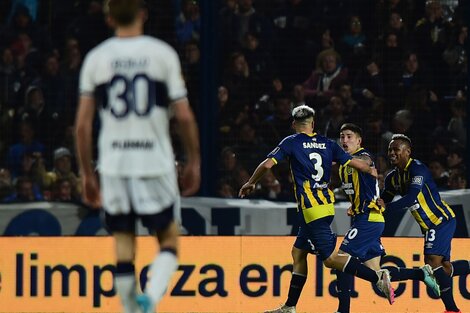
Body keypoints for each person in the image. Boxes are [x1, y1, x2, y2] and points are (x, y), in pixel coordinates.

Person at [74, 1, 201, 313]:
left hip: (114, 165)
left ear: (108, 17)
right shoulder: (162, 55)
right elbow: (183, 116)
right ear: (144, 13)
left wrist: (87, 174)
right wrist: (194, 160)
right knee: (169, 238)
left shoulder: (97, 58)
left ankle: (131, 308)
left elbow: (82, 125)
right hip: (154, 162)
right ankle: (151, 299)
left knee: (123, 242)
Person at [239, 105, 395, 313]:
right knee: (298, 252)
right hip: (322, 206)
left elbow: (268, 164)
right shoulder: (327, 143)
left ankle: (376, 276)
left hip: (312, 210)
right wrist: (370, 169)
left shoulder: (291, 142)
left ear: (294, 124)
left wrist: (251, 182)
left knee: (332, 260)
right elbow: (353, 162)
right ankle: (290, 306)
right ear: (312, 124)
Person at [336, 124, 439, 313]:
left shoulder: (361, 157)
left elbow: (366, 162)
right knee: (374, 271)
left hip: (369, 220)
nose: (344, 140)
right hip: (365, 218)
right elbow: (363, 190)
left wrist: (365, 167)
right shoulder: (345, 166)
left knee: (341, 261)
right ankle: (420, 273)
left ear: (359, 141)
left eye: (349, 136)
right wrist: (355, 204)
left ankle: (343, 310)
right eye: (341, 137)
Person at [380, 134, 470, 313]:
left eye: (396, 149)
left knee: (431, 263)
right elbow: (385, 199)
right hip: (429, 226)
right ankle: (451, 308)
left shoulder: (417, 169)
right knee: (443, 269)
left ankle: (452, 310)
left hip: (439, 220)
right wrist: (376, 205)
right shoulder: (392, 178)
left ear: (407, 152)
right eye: (390, 149)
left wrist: (385, 208)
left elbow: (411, 198)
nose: (391, 153)